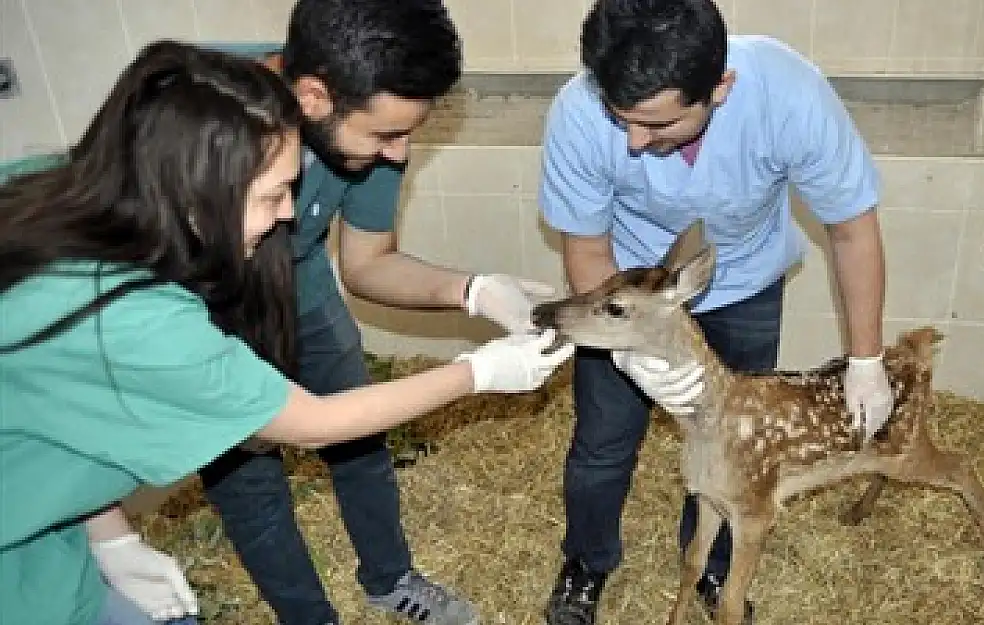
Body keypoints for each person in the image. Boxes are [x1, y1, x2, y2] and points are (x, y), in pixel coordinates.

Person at [0, 39, 572, 625]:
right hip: (24, 581)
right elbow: (312, 424)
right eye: (273, 195)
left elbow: (53, 421)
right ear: (195, 195)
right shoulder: (141, 320)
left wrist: (107, 534)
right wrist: (480, 372)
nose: (290, 217)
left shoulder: (55, 193)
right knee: (251, 486)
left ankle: (387, 579)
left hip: (45, 542)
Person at [535, 0, 895, 623]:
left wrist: (866, 360)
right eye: (621, 119)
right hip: (625, 293)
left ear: (719, 88)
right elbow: (587, 247)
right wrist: (626, 350)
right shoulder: (577, 113)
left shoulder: (789, 94)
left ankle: (712, 569)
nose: (634, 141)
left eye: (657, 124)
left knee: (734, 445)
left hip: (745, 282)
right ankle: (586, 564)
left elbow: (852, 229)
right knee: (602, 439)